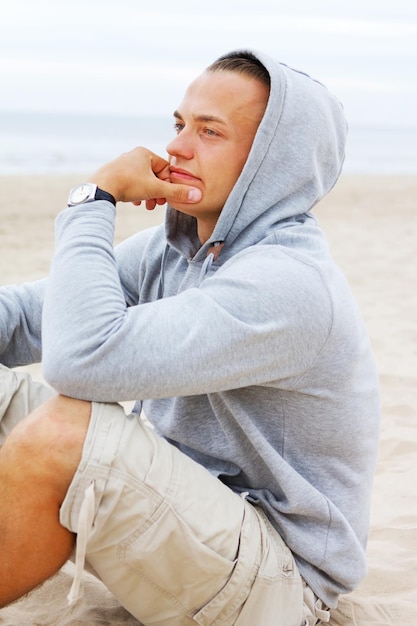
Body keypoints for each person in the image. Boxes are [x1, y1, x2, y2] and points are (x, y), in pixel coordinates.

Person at [0, 50, 380, 626]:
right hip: (194, 531)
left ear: (270, 162)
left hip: (276, 582)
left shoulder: (288, 283)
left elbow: (81, 359)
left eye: (210, 132)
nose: (177, 146)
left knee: (64, 429)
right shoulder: (176, 250)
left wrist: (92, 200)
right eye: (180, 124)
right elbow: (33, 317)